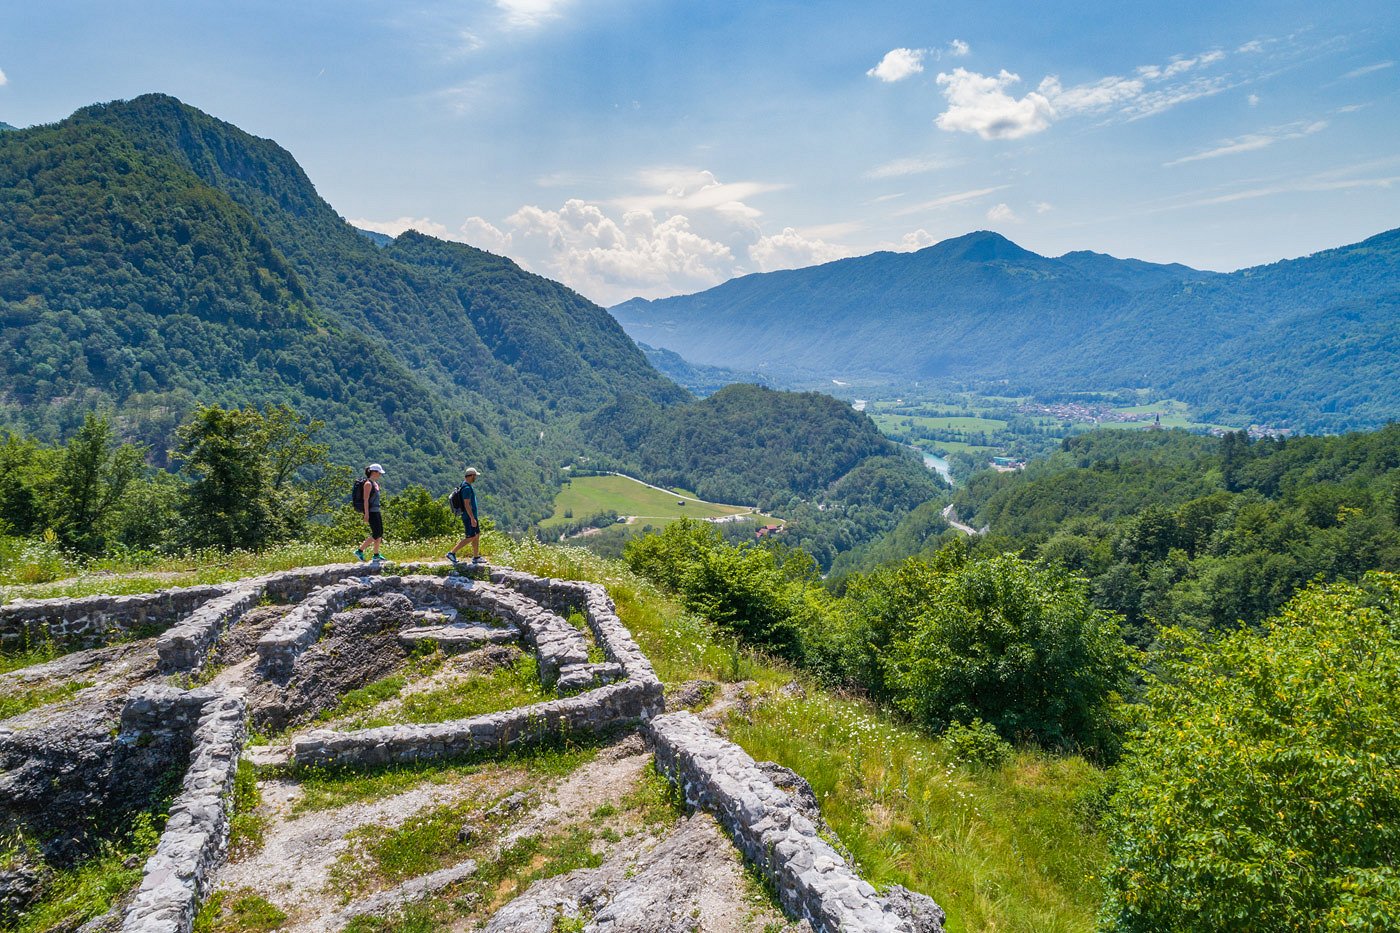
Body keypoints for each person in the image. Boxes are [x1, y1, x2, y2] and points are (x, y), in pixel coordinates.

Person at [447, 467, 485, 565]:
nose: (475, 478)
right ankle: (452, 553)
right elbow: (467, 504)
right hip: (469, 517)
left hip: (472, 516)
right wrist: (472, 518)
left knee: (476, 535)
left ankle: (476, 557)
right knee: (470, 536)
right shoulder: (467, 488)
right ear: (471, 476)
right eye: (475, 476)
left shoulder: (464, 485)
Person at [355, 463, 385, 562]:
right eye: (379, 472)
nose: (380, 474)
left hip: (376, 510)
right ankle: (360, 550)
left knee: (380, 533)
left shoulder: (375, 484)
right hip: (371, 512)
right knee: (376, 533)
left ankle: (376, 554)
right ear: (374, 472)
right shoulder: (368, 484)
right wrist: (366, 514)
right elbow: (366, 500)